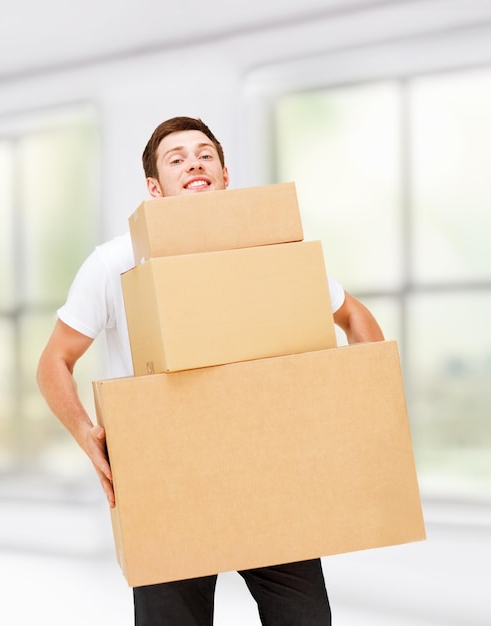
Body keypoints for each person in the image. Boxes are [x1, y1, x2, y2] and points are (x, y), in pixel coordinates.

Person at [37, 116, 385, 625]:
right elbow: (54, 362)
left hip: (268, 472)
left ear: (225, 176)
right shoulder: (114, 264)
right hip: (166, 482)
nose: (194, 163)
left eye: (205, 155)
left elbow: (353, 315)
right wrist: (89, 437)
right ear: (154, 189)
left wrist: (360, 402)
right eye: (176, 159)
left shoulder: (266, 252)